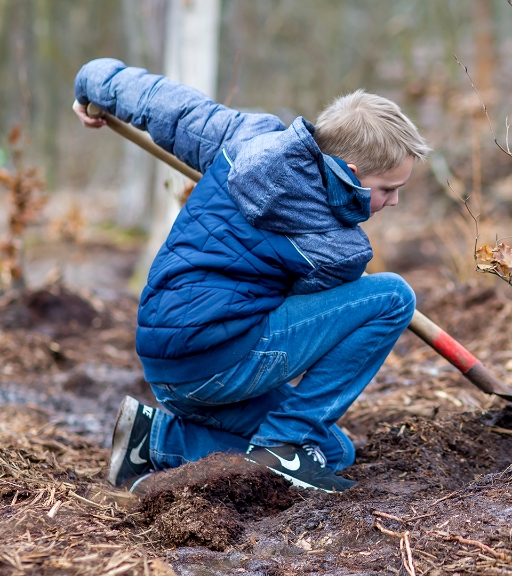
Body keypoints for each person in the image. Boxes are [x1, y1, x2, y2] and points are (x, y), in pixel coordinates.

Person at [73, 58, 430, 492]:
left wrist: (93, 84)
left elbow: (168, 106)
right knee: (392, 296)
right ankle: (281, 448)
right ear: (352, 177)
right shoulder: (338, 248)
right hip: (219, 362)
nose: (393, 202)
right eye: (388, 189)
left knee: (333, 451)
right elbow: (311, 336)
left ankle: (156, 441)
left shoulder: (245, 138)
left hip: (165, 360)